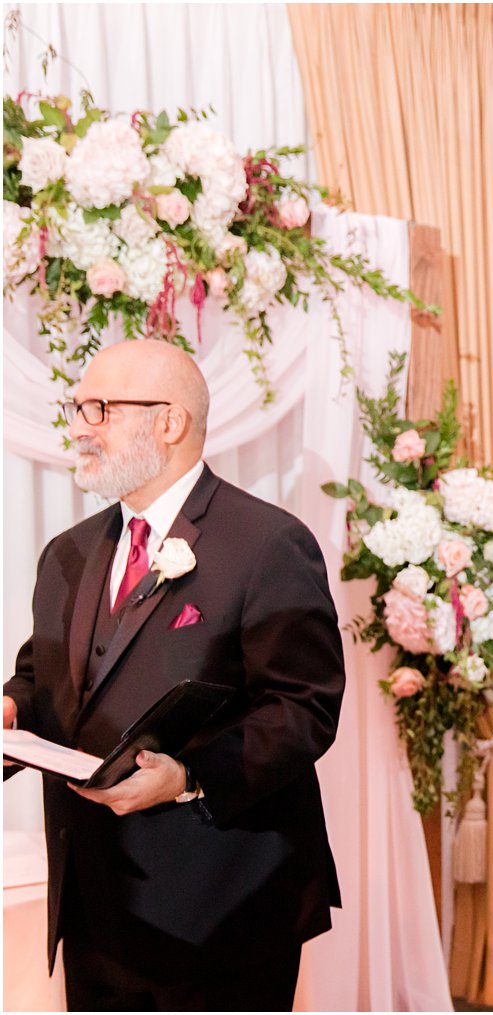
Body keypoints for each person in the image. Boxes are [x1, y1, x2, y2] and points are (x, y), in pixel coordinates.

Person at [3, 340, 345, 1010]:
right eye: (77, 407)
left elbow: (304, 708)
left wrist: (190, 777)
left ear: (170, 421)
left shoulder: (268, 544)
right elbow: (42, 678)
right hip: (95, 903)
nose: (79, 425)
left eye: (98, 407)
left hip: (223, 907)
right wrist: (12, 707)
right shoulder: (67, 554)